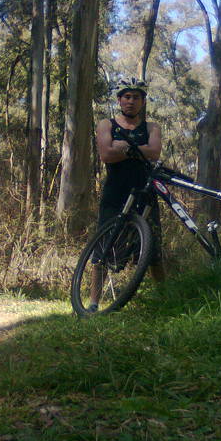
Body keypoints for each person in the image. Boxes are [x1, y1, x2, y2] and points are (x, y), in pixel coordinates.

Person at [89, 77, 165, 312]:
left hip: (145, 191)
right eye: (127, 97)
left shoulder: (152, 127)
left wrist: (125, 147)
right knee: (103, 247)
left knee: (153, 249)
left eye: (136, 97)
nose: (131, 101)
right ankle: (93, 303)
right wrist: (130, 151)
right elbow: (106, 155)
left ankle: (165, 299)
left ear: (143, 101)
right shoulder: (106, 124)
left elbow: (154, 152)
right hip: (116, 191)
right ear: (120, 100)